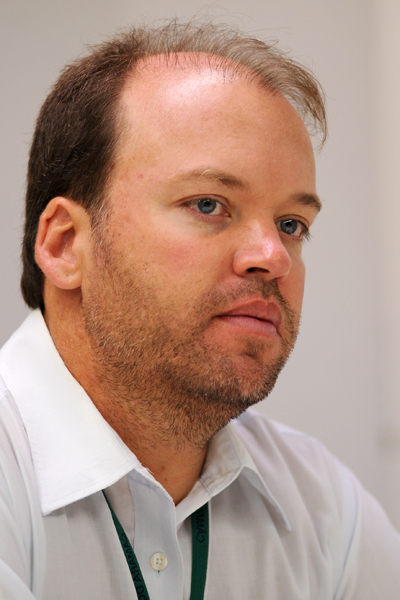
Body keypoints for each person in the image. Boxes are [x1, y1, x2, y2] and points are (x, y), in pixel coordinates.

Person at [0, 20, 398, 600]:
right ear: (65, 244)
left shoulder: (324, 506)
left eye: (292, 224)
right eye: (209, 204)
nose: (273, 257)